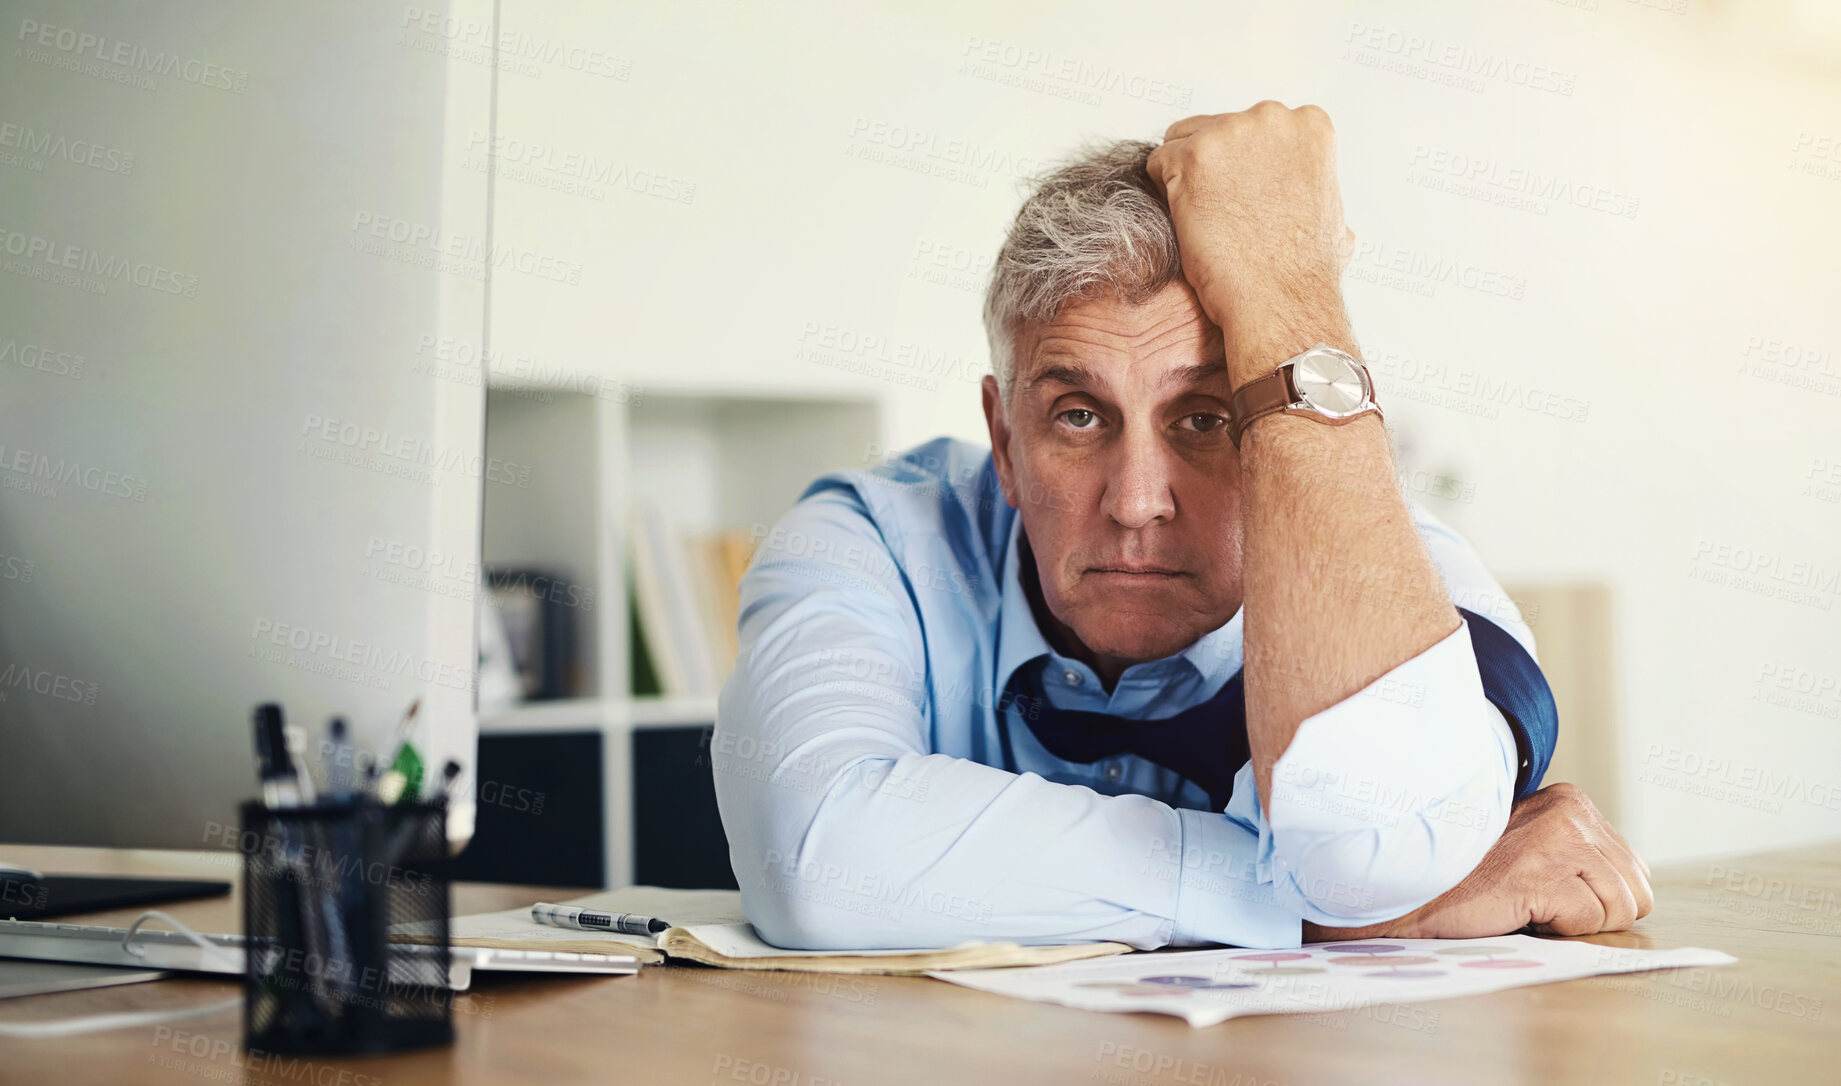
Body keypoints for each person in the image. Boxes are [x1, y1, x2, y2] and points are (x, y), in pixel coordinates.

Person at [713, 102, 1651, 950]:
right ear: (1004, 439)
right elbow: (820, 860)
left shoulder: (1405, 584)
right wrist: (1315, 913)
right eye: (1077, 416)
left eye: (1206, 418)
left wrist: (1288, 293)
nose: (1135, 502)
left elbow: (1375, 853)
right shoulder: (871, 538)